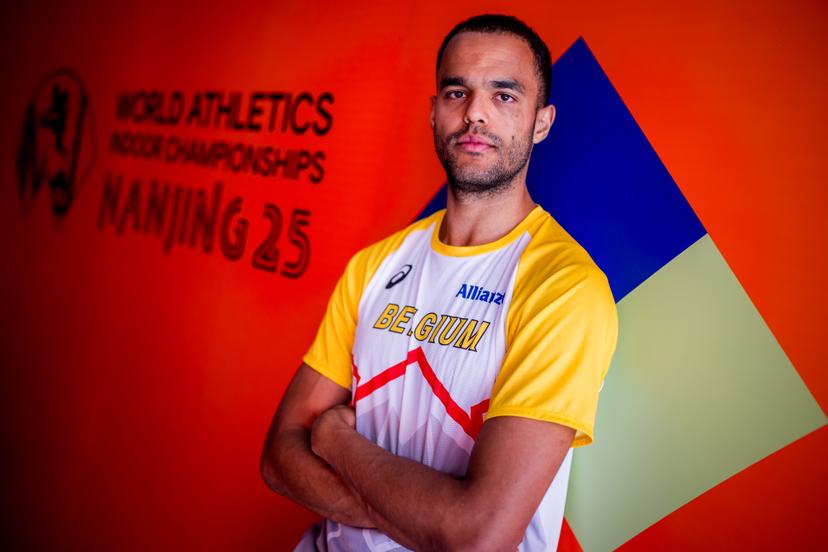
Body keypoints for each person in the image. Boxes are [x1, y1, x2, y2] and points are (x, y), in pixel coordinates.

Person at [260, 14, 618, 551]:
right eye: (457, 92)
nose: (475, 113)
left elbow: (476, 537)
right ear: (433, 111)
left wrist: (336, 441)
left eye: (504, 96)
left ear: (542, 123)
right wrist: (427, 513)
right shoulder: (375, 265)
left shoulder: (562, 289)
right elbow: (279, 457)